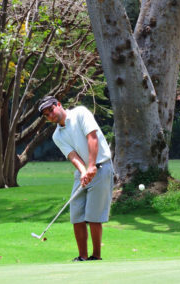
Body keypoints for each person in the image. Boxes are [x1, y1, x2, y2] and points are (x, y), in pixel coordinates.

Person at [38, 96, 114, 261]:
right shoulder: (57, 135)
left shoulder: (80, 113)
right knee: (77, 214)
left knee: (93, 216)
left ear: (59, 104)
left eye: (51, 110)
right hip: (83, 173)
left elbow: (92, 138)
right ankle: (82, 256)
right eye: (46, 114)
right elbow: (72, 155)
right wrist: (83, 171)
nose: (50, 115)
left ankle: (96, 256)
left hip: (101, 166)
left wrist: (92, 166)